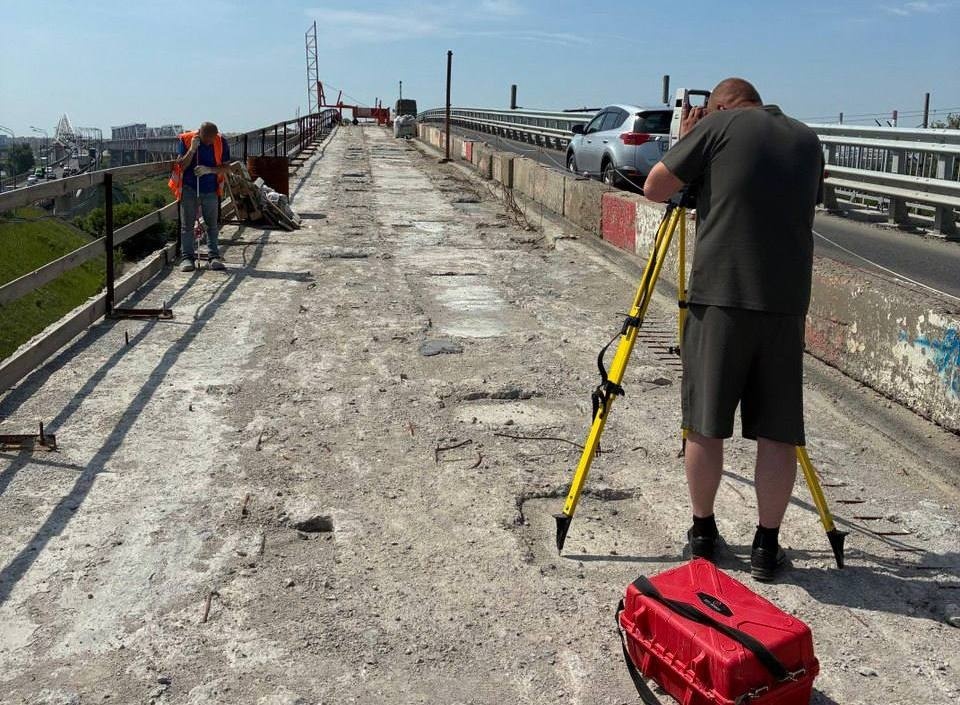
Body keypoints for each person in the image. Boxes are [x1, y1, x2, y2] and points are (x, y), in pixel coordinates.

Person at [642, 78, 823, 581]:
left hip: (720, 297)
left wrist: (687, 139)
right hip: (786, 304)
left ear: (719, 105)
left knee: (705, 421)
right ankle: (767, 547)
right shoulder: (808, 140)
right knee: (778, 430)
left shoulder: (717, 125)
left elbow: (657, 187)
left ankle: (703, 533)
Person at [168, 122, 231, 272]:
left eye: (212, 139)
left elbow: (226, 167)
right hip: (189, 189)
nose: (209, 142)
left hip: (210, 190)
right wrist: (192, 150)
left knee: (212, 225)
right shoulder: (186, 140)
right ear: (200, 133)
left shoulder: (221, 142)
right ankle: (187, 258)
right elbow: (181, 166)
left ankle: (213, 257)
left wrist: (208, 170)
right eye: (206, 139)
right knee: (187, 226)